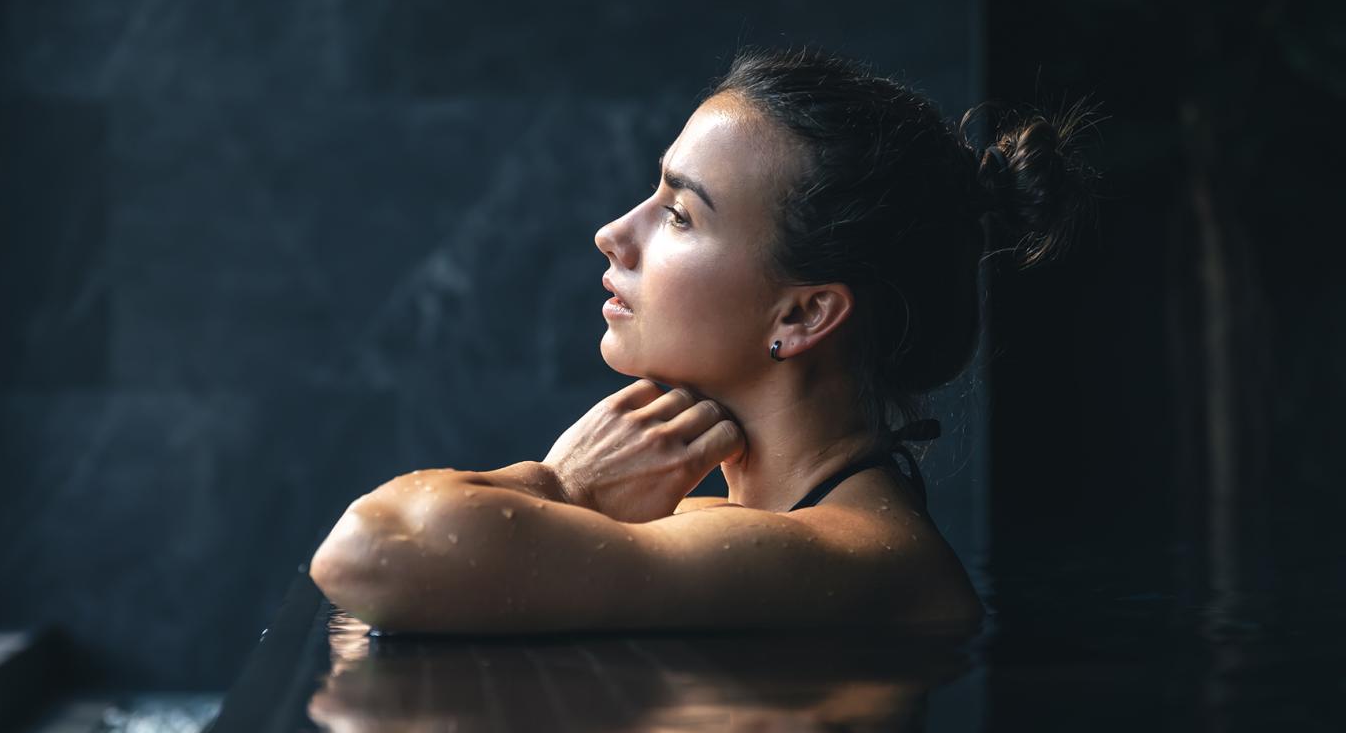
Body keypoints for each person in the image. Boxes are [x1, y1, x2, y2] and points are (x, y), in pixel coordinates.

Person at [309, 46, 1096, 634]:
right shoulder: (731, 525)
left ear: (803, 316)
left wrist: (559, 486)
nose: (614, 233)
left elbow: (371, 552)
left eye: (680, 215)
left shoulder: (843, 557)